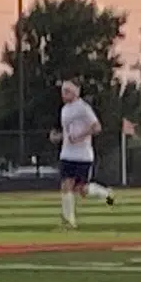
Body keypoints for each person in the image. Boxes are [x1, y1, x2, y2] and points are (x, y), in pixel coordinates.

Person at [56, 80, 116, 227]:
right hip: (67, 153)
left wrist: (80, 136)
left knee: (81, 189)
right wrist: (58, 137)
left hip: (82, 154)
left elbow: (97, 127)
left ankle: (106, 193)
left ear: (75, 92)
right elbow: (67, 132)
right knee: (66, 185)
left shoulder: (83, 108)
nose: (64, 94)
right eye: (63, 91)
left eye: (67, 91)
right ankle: (68, 220)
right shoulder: (64, 109)